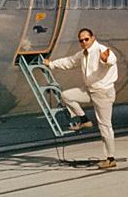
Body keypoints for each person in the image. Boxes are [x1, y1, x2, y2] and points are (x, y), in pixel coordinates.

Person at [43, 28, 118, 169]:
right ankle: (84, 120)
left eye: (86, 39)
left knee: (105, 126)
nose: (83, 42)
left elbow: (111, 60)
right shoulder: (83, 54)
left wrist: (106, 59)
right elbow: (70, 62)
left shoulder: (101, 50)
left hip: (103, 93)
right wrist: (51, 64)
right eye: (81, 40)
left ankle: (110, 158)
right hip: (90, 90)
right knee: (66, 95)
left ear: (93, 38)